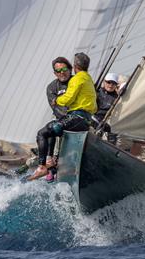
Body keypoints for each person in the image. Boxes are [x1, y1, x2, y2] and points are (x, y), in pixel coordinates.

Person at [28, 52, 97, 181]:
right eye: (58, 71)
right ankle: (50, 164)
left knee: (46, 132)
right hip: (68, 119)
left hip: (76, 119)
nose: (61, 72)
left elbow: (71, 99)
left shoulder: (76, 79)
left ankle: (45, 166)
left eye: (64, 69)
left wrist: (59, 102)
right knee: (50, 129)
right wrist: (63, 119)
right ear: (54, 73)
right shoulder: (52, 87)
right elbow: (56, 108)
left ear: (72, 68)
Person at [93, 72, 120, 139]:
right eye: (108, 82)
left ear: (116, 85)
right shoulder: (96, 92)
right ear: (104, 82)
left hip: (106, 125)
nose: (111, 85)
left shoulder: (117, 99)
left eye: (113, 83)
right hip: (92, 120)